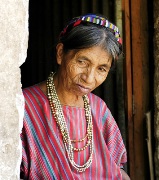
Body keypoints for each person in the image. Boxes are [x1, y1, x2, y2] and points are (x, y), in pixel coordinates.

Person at [20, 13, 130, 180]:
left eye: (101, 69)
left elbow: (117, 171)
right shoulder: (24, 107)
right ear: (60, 53)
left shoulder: (98, 109)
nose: (89, 78)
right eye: (82, 62)